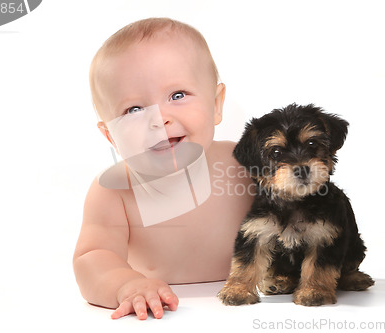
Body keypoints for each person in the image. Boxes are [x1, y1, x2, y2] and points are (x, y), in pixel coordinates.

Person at [73, 18, 253, 320]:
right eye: (134, 110)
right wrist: (126, 285)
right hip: (170, 318)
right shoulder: (114, 191)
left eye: (177, 95)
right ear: (110, 136)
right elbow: (92, 258)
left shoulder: (243, 163)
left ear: (216, 104)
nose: (159, 119)